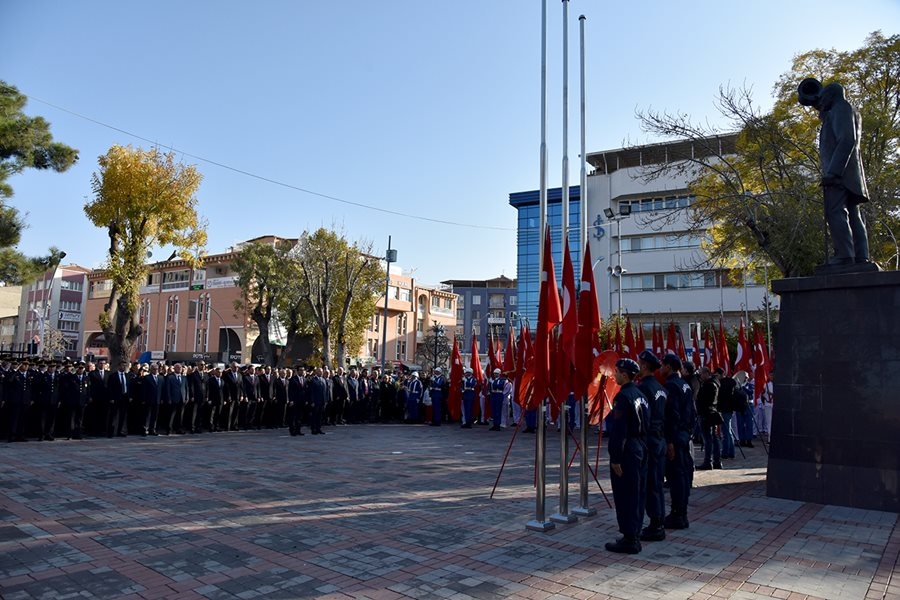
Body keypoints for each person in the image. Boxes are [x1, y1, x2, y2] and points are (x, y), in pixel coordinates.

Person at [798, 78, 871, 267]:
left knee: (835, 211)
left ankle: (845, 256)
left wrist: (833, 172)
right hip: (850, 173)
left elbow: (847, 139)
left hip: (839, 173)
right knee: (853, 214)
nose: (820, 102)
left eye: (823, 99)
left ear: (831, 96)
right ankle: (860, 255)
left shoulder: (840, 107)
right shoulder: (848, 111)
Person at [604, 358, 650, 554]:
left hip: (628, 449)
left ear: (625, 374)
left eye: (618, 372)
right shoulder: (641, 394)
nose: (615, 375)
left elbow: (619, 430)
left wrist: (615, 457)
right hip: (640, 446)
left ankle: (630, 538)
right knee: (638, 493)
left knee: (625, 494)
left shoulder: (623, 397)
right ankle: (635, 532)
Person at [661, 353, 696, 530]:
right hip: (684, 435)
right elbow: (691, 413)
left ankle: (678, 514)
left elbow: (671, 416)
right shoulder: (684, 385)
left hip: (676, 437)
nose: (661, 368)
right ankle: (681, 513)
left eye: (662, 365)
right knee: (682, 475)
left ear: (668, 366)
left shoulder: (671, 385)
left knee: (676, 477)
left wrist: (670, 441)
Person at [636, 350, 667, 542]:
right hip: (659, 439)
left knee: (651, 484)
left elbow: (641, 418)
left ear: (645, 366)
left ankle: (656, 524)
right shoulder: (660, 387)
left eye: (639, 363)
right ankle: (659, 521)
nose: (638, 366)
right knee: (657, 483)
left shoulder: (645, 388)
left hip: (649, 440)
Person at [696, 367, 722, 470]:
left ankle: (709, 461)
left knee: (708, 439)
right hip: (711, 412)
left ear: (707, 373)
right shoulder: (714, 383)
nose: (700, 376)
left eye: (701, 374)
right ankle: (716, 460)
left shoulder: (709, 385)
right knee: (713, 438)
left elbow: (703, 399)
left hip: (707, 413)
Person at [141, 363, 164, 436]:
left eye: (157, 369)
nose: (156, 370)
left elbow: (162, 389)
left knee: (155, 416)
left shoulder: (161, 378)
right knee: (147, 415)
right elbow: (144, 389)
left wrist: (162, 398)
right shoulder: (147, 378)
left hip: (157, 399)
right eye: (154, 369)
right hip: (149, 399)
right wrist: (143, 399)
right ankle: (145, 429)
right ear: (151, 370)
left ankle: (152, 429)